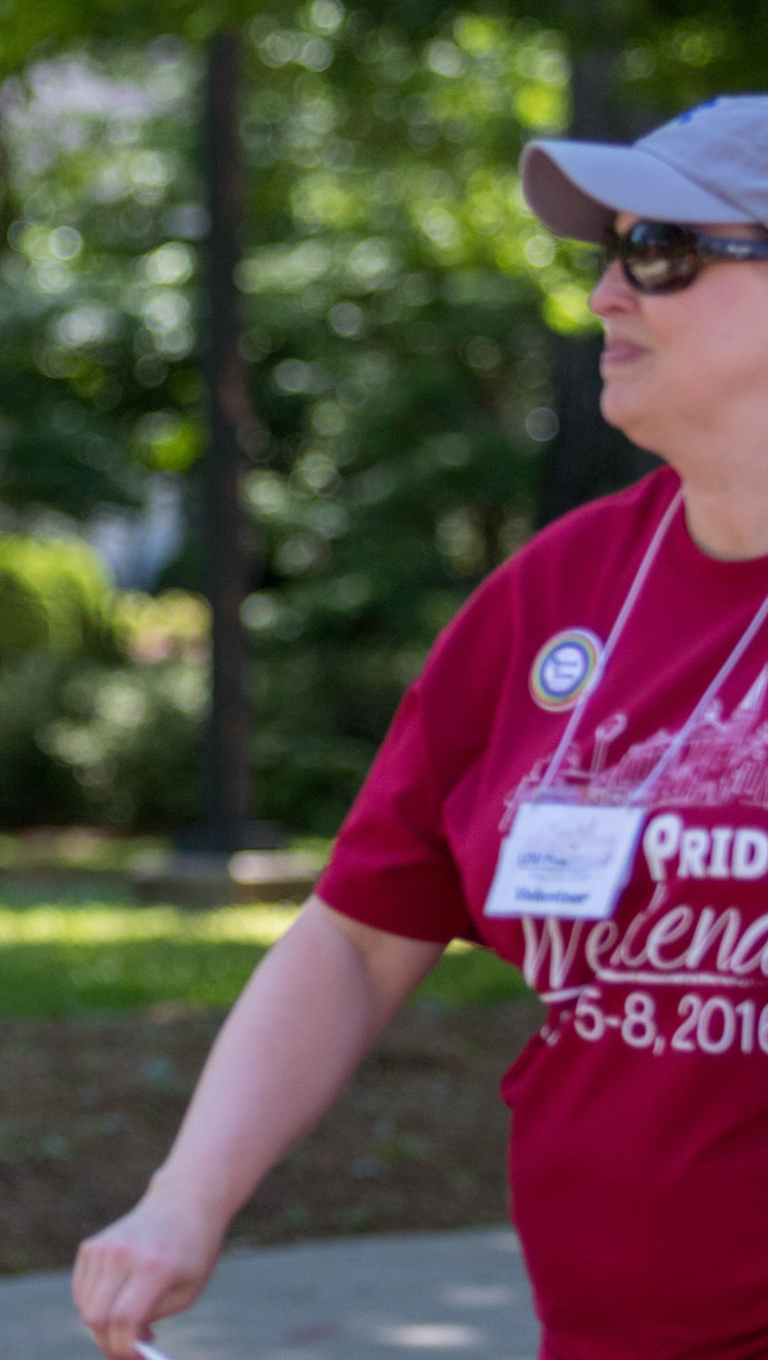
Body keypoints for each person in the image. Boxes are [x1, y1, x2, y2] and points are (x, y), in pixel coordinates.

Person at [73, 93, 768, 1360]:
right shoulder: (553, 595)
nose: (606, 293)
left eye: (658, 250)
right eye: (606, 252)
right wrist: (186, 1198)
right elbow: (356, 934)